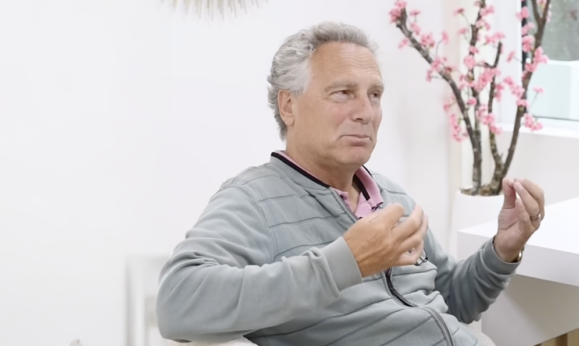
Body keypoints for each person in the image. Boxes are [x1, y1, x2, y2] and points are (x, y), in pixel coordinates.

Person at [156, 21, 546, 346]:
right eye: (343, 93)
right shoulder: (253, 199)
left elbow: (452, 300)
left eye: (374, 95)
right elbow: (177, 303)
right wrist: (345, 263)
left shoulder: (392, 197)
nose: (366, 112)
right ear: (288, 106)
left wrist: (502, 250)